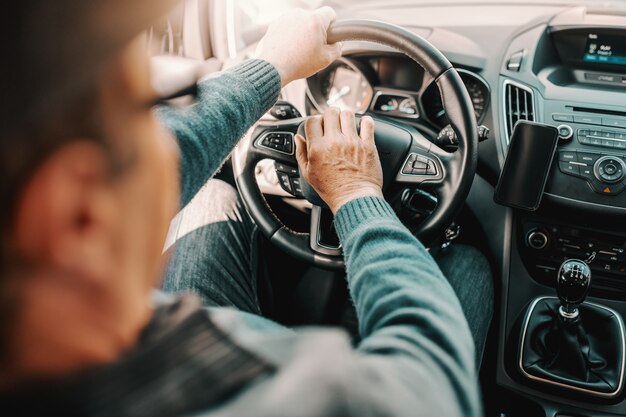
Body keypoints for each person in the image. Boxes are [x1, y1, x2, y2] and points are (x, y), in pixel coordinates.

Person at [0, 1, 493, 416]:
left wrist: (273, 65)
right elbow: (433, 385)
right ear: (79, 215)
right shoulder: (324, 397)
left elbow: (177, 151)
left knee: (214, 196)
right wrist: (356, 192)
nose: (171, 127)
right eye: (158, 102)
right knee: (468, 268)